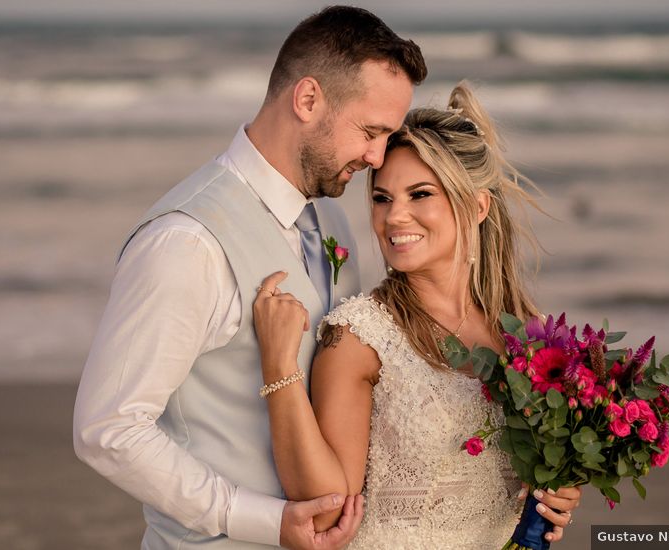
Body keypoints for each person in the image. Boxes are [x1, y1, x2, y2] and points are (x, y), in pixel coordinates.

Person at [73, 6, 427, 549]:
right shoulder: (186, 245)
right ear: (308, 100)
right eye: (370, 131)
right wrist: (258, 518)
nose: (377, 157)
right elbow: (108, 430)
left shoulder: (330, 216)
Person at [252, 82, 581, 548]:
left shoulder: (530, 338)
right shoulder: (360, 337)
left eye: (420, 194)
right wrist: (279, 368)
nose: (394, 217)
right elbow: (326, 510)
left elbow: (544, 473)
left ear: (477, 206)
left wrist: (561, 489)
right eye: (382, 198)